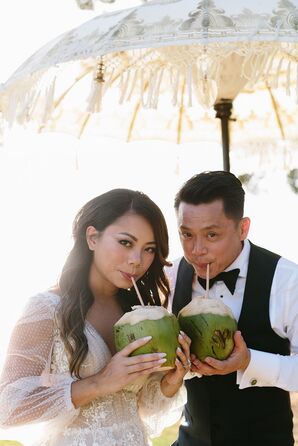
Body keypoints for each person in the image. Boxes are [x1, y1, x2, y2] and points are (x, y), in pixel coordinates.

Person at [0, 188, 191, 446]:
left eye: (149, 249)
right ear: (92, 237)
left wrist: (170, 381)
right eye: (125, 242)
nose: (137, 260)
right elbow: (8, 407)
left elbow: (141, 406)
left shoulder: (138, 314)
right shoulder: (46, 308)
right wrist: (99, 382)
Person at [166, 171, 298, 446]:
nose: (197, 249)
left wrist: (249, 361)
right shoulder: (170, 275)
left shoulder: (287, 280)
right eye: (186, 234)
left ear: (243, 228)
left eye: (211, 234)